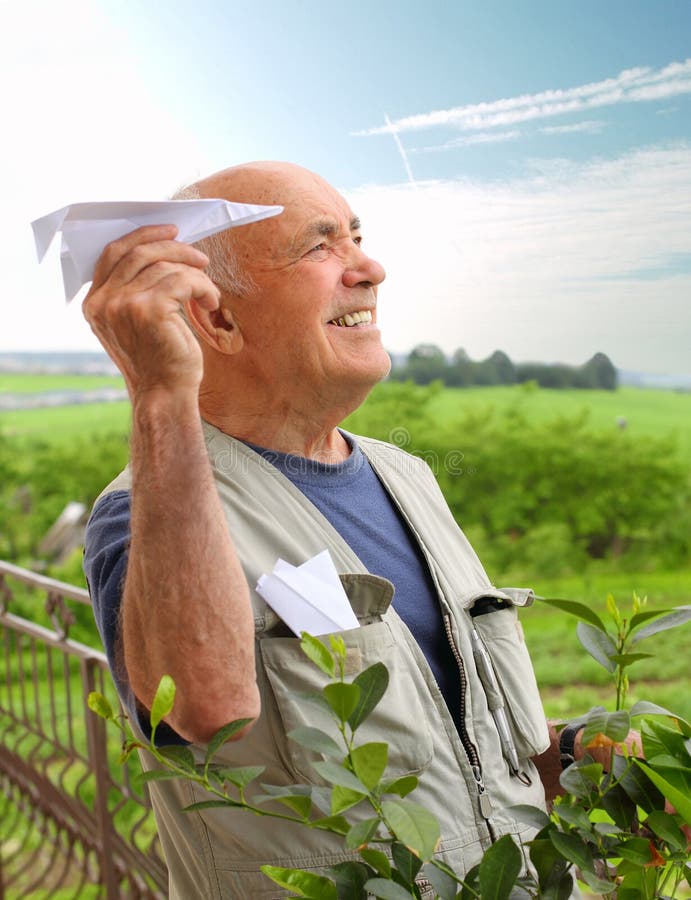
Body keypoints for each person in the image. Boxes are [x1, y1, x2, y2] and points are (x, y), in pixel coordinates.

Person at [83, 161, 577, 899]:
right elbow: (202, 711)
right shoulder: (143, 514)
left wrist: (577, 762)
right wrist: (159, 394)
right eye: (320, 248)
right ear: (217, 318)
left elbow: (461, 754)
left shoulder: (405, 475)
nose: (368, 267)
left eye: (356, 237)